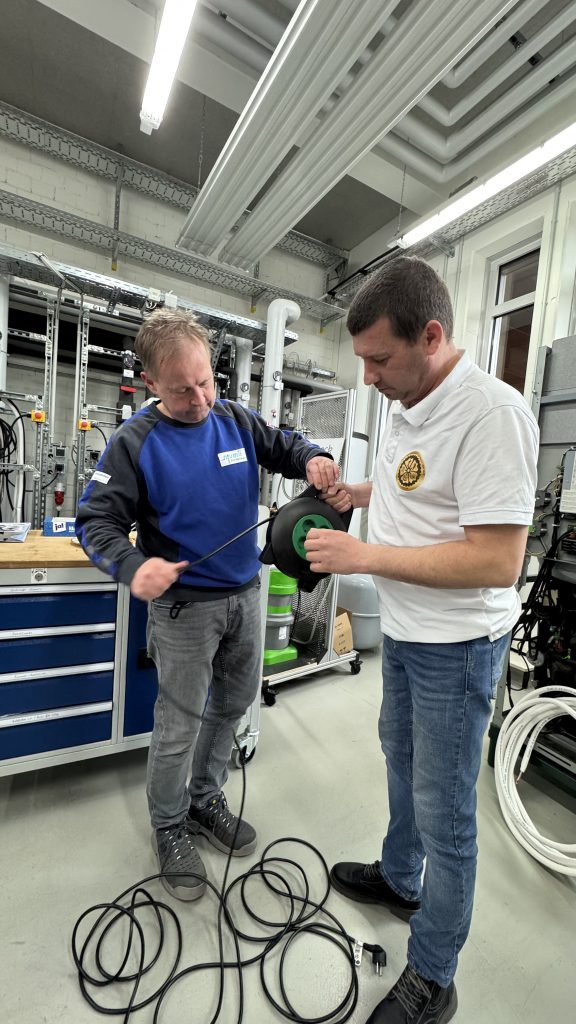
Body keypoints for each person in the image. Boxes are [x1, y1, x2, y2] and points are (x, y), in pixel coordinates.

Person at [304, 257, 538, 1024]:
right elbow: (420, 481)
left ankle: (434, 974)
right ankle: (403, 880)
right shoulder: (410, 397)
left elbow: (497, 561)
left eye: (379, 359)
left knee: (446, 812)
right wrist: (361, 492)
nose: (368, 377)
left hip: (456, 647)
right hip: (407, 635)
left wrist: (364, 555)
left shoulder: (493, 414)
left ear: (431, 337)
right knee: (402, 767)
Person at [76, 308, 339, 902]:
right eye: (181, 390)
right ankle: (169, 826)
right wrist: (134, 566)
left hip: (244, 595)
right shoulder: (134, 442)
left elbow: (286, 446)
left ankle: (204, 797)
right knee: (178, 725)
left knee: (233, 705)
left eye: (205, 382)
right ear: (150, 382)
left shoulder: (235, 419)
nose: (199, 400)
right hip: (183, 612)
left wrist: (312, 458)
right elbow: (95, 522)